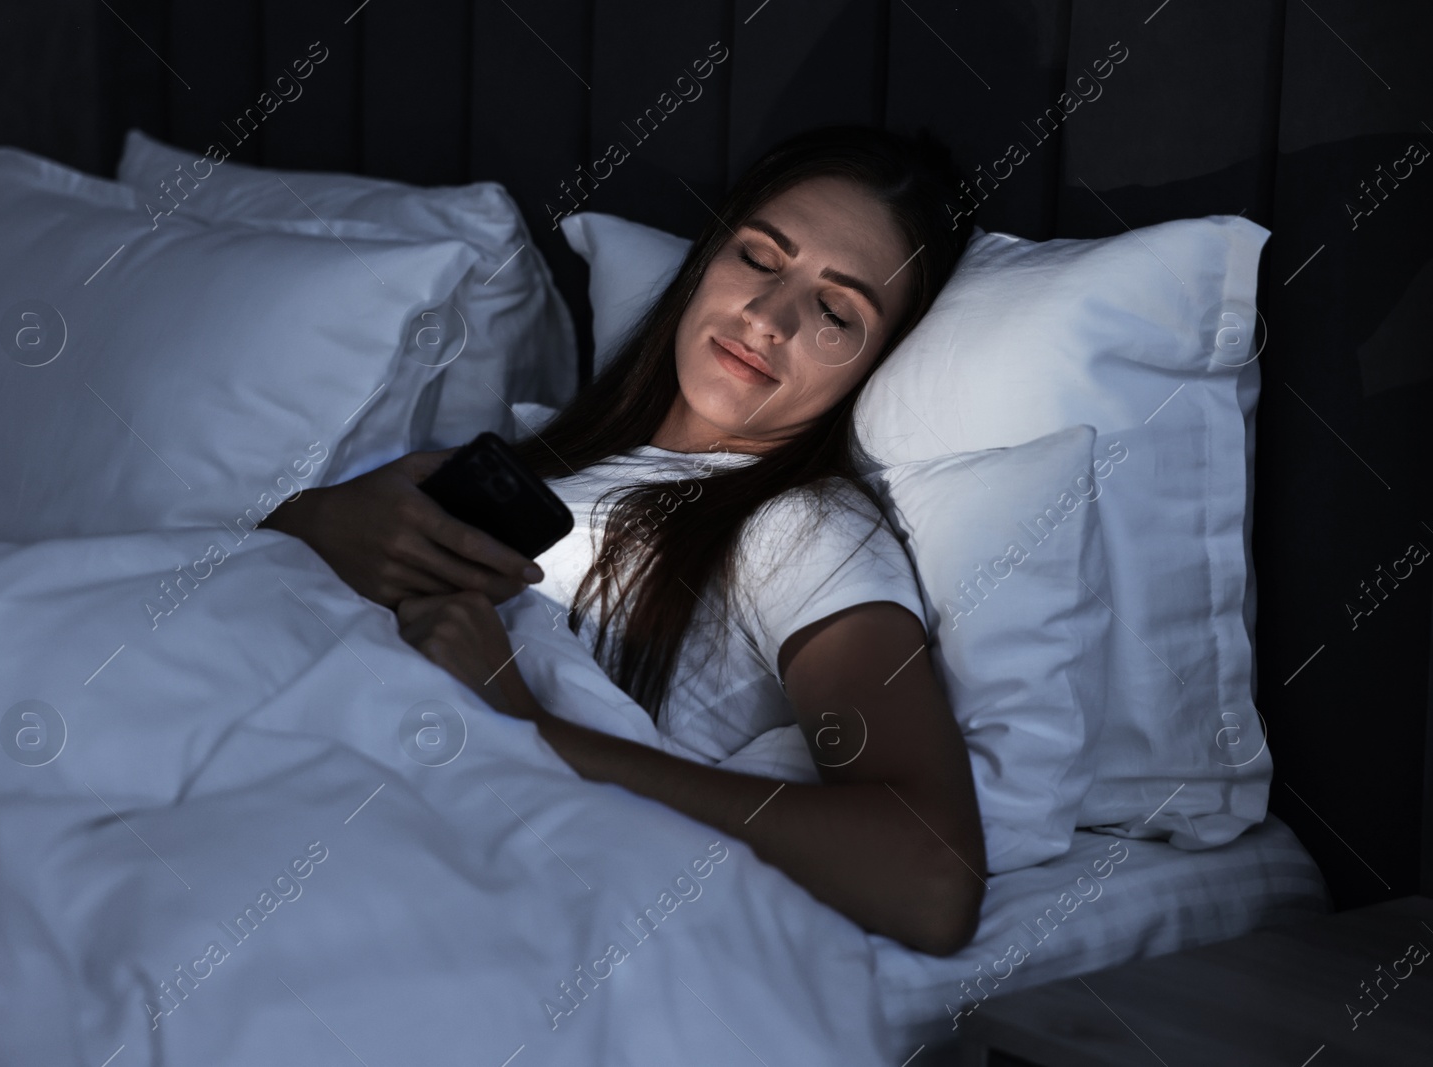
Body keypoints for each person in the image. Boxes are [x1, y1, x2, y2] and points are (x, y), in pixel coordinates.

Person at [263, 125, 985, 957]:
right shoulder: (539, 455)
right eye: (758, 258)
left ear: (876, 363)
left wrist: (527, 725)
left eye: (834, 311)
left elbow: (932, 878)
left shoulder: (804, 527)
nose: (766, 317)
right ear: (707, 260)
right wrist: (314, 526)